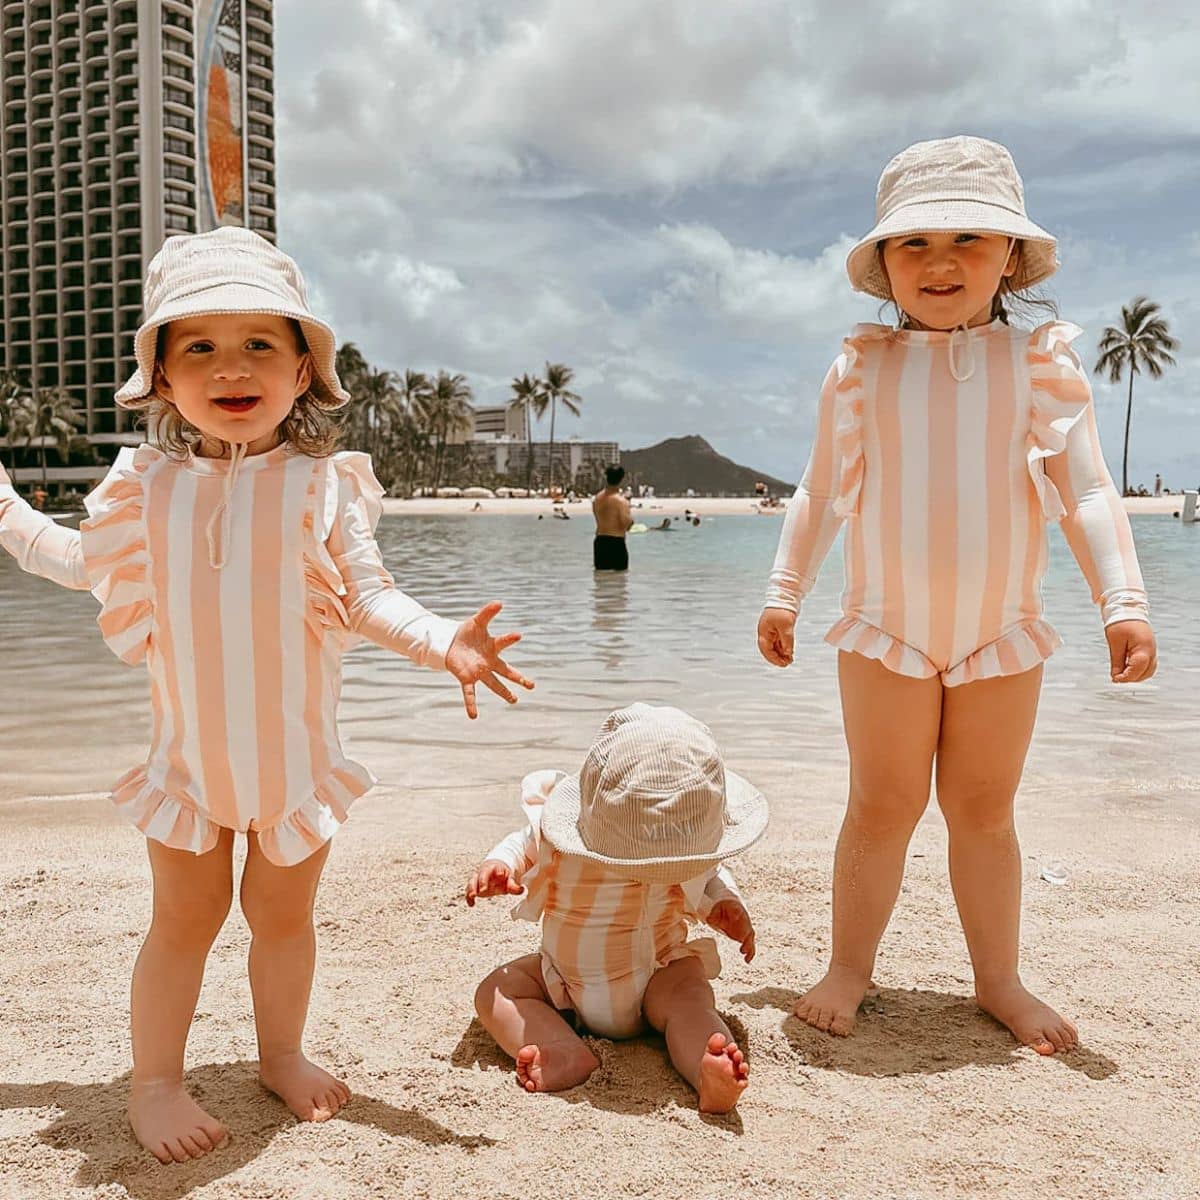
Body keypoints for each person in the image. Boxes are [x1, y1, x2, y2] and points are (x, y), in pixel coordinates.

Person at [0, 227, 534, 1165]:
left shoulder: (322, 486)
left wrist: (443, 641)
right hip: (187, 770)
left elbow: (368, 595)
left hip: (294, 770)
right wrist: (7, 511)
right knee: (182, 925)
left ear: (302, 371)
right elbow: (79, 564)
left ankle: (279, 1052)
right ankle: (155, 1080)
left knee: (284, 923)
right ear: (162, 377)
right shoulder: (147, 488)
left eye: (258, 344)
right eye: (198, 345)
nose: (230, 366)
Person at [756, 136, 1156, 1057]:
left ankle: (998, 980)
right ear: (884, 263)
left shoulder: (1040, 363)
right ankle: (850, 967)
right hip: (885, 628)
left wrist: (1122, 601)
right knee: (881, 805)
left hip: (1000, 633)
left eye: (969, 239)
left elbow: (1088, 492)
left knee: (984, 811)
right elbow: (820, 491)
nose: (941, 264)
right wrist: (785, 589)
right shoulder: (862, 367)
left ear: (1010, 257)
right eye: (914, 244)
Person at [467, 704, 767, 1113]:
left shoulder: (684, 850)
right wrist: (500, 866)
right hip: (562, 983)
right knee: (497, 990)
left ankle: (707, 1072)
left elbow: (710, 874)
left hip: (659, 976)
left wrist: (725, 904)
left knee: (691, 1001)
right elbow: (523, 843)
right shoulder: (561, 830)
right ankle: (563, 1049)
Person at [592, 464, 632, 570]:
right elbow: (626, 525)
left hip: (600, 542)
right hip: (615, 543)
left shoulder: (597, 498)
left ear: (607, 477)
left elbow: (598, 519)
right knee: (619, 581)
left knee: (601, 580)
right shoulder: (621, 501)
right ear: (622, 479)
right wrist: (631, 521)